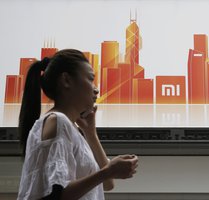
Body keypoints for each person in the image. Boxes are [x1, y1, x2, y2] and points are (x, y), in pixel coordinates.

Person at [17, 49, 138, 200]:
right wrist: (108, 171)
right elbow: (56, 195)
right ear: (66, 80)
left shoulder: (69, 127)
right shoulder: (58, 121)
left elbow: (108, 184)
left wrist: (91, 134)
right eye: (90, 79)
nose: (96, 89)